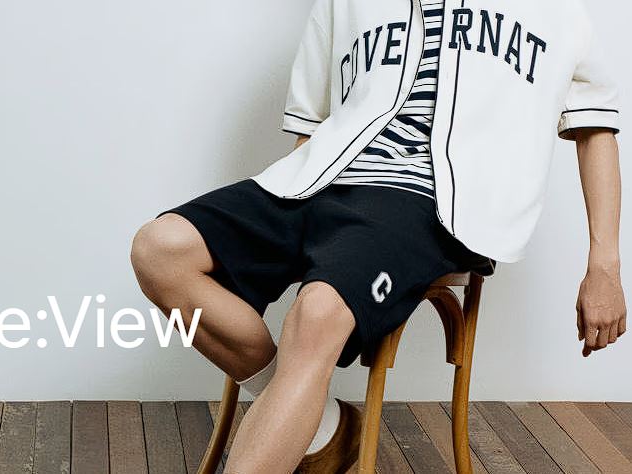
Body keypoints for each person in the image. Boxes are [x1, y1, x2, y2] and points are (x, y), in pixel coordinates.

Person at [130, 0, 625, 472]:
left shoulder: (553, 7)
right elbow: (310, 126)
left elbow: (595, 127)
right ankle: (322, 427)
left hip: (430, 203)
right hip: (320, 176)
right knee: (159, 250)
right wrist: (297, 238)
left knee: (317, 313)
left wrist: (604, 268)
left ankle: (305, 420)